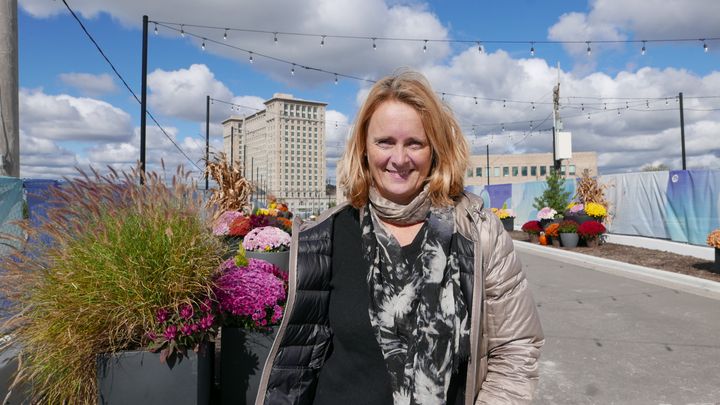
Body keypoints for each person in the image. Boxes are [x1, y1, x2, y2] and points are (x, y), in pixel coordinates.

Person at [254, 70, 544, 405]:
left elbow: (516, 348)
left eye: (415, 143)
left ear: (435, 149)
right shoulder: (325, 236)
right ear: (364, 148)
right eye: (385, 142)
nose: (400, 158)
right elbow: (299, 363)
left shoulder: (477, 233)